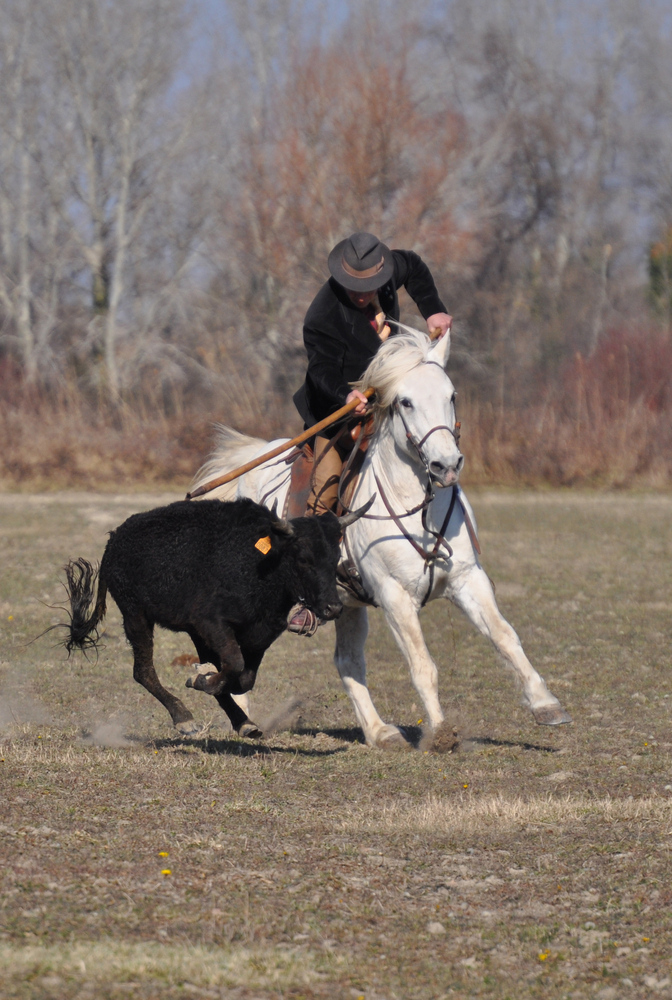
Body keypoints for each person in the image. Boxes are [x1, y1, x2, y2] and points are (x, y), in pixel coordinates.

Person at [292, 231, 452, 516]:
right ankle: (311, 548)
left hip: (387, 397)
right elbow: (322, 369)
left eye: (370, 286)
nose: (362, 294)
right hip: (337, 408)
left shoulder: (389, 271)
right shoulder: (322, 315)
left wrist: (433, 310)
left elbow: (413, 266)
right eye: (354, 286)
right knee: (324, 497)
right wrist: (346, 396)